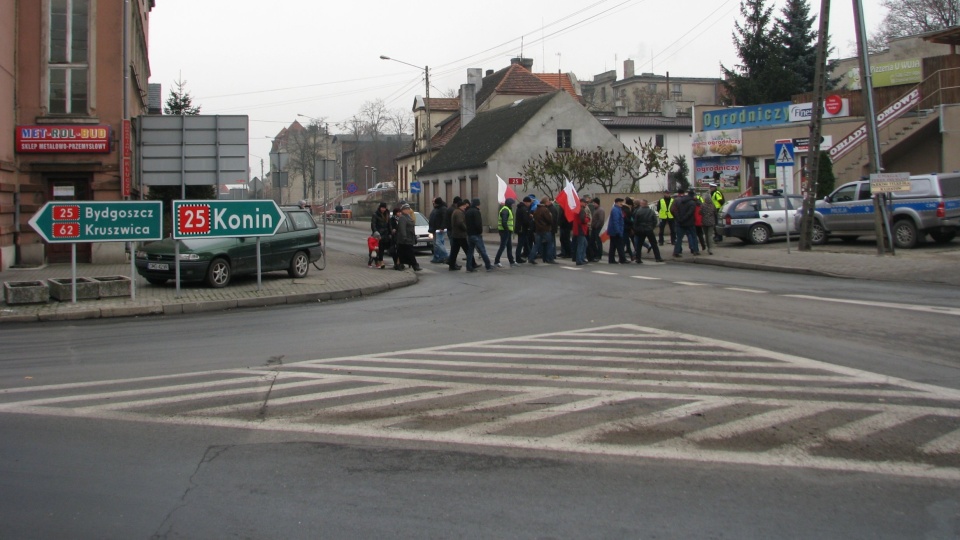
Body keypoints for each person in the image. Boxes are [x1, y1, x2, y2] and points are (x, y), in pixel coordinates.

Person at [464, 198, 494, 272]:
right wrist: (480, 231)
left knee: (470, 252)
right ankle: (488, 266)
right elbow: (478, 223)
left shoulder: (467, 211)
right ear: (478, 204)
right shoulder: (476, 212)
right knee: (482, 250)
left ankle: (469, 267)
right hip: (476, 234)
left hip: (469, 234)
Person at [671, 188, 701, 258]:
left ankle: (676, 252)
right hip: (689, 223)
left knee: (679, 238)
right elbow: (690, 213)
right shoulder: (692, 203)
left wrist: (678, 219)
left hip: (680, 223)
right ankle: (695, 250)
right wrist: (683, 219)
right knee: (693, 236)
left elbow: (674, 211)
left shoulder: (679, 201)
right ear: (693, 196)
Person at [528, 196, 557, 264]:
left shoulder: (537, 209)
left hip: (538, 229)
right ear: (546, 202)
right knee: (549, 244)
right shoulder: (545, 210)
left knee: (537, 244)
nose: (549, 202)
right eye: (548, 201)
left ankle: (531, 257)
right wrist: (551, 217)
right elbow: (549, 219)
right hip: (545, 229)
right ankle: (549, 258)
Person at [395, 204, 422, 271]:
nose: (408, 210)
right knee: (410, 252)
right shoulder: (402, 218)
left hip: (410, 237)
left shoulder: (408, 217)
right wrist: (404, 237)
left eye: (408, 209)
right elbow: (402, 228)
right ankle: (415, 265)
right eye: (406, 209)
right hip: (405, 239)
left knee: (402, 253)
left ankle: (400, 264)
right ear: (403, 210)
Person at [447, 198, 469, 271]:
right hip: (460, 234)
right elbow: (460, 222)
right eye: (464, 206)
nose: (465, 207)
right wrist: (466, 229)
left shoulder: (456, 211)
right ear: (461, 206)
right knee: (467, 249)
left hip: (456, 234)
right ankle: (472, 263)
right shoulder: (459, 212)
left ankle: (452, 265)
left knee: (454, 251)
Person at [495, 198, 517, 267]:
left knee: (509, 246)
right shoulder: (505, 210)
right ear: (509, 204)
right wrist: (507, 229)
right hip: (505, 231)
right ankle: (497, 261)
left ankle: (511, 261)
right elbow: (504, 221)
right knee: (503, 246)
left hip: (506, 231)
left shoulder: (506, 209)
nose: (513, 205)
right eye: (512, 204)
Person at [606, 198, 627, 264]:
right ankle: (622, 259)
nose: (622, 203)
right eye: (621, 202)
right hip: (616, 231)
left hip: (613, 231)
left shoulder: (617, 209)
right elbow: (616, 221)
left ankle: (611, 259)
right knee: (620, 246)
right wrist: (618, 231)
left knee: (613, 246)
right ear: (617, 202)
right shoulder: (616, 210)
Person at [428, 197, 449, 264]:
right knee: (436, 244)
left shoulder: (443, 209)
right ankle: (438, 257)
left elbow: (444, 219)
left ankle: (445, 256)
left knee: (438, 243)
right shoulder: (437, 208)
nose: (433, 203)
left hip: (439, 229)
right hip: (435, 229)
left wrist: (442, 227)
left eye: (434, 202)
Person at [371, 202, 391, 269]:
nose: (383, 209)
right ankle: (380, 261)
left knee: (386, 247)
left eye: (384, 208)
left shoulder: (387, 214)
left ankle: (379, 260)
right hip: (379, 234)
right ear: (380, 207)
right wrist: (376, 233)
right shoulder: (376, 214)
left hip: (386, 233)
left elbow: (389, 224)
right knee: (380, 248)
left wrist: (390, 232)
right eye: (382, 208)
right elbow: (373, 225)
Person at [571, 197, 591, 265]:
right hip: (581, 229)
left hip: (577, 229)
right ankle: (579, 260)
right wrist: (588, 219)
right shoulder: (581, 210)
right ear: (581, 202)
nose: (586, 204)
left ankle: (581, 258)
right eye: (585, 202)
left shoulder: (577, 209)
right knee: (581, 245)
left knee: (584, 243)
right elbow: (582, 220)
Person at [514, 196, 533, 263]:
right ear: (526, 202)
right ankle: (518, 258)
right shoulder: (524, 209)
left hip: (520, 229)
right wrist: (530, 221)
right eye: (529, 203)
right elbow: (525, 220)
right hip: (523, 229)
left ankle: (530, 256)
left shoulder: (520, 208)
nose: (530, 204)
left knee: (526, 244)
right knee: (521, 244)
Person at [590, 197, 605, 262]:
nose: (593, 204)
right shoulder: (596, 209)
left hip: (598, 228)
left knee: (598, 242)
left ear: (597, 203)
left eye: (594, 203)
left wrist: (596, 226)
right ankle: (595, 253)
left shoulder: (600, 210)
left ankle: (599, 255)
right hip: (594, 228)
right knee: (592, 241)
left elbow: (601, 220)